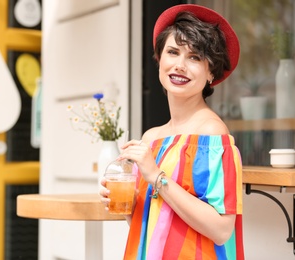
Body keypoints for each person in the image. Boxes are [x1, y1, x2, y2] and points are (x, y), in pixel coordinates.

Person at [100, 4, 244, 259]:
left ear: (211, 72)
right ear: (159, 60)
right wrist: (126, 205)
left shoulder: (211, 133)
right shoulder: (152, 138)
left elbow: (221, 229)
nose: (180, 65)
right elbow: (155, 223)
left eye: (194, 57)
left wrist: (156, 176)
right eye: (173, 52)